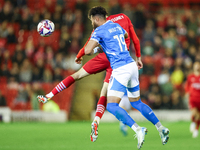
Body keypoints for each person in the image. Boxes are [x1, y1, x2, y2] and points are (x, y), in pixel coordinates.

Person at [37, 12, 141, 141]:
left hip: (105, 58)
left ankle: (49, 95)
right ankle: (96, 120)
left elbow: (89, 47)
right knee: (104, 92)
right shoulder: (123, 19)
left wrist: (80, 55)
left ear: (97, 18)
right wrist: (138, 57)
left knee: (76, 75)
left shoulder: (100, 27)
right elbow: (134, 39)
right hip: (118, 61)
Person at [83, 6, 169, 149]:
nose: (92, 23)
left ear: (96, 19)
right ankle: (161, 128)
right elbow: (126, 36)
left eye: (92, 20)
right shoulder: (116, 26)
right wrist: (106, 45)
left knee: (111, 106)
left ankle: (137, 129)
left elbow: (87, 50)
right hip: (131, 65)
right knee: (136, 102)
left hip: (120, 69)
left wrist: (97, 45)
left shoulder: (98, 30)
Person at [185, 61, 200, 138]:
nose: (197, 66)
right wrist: (187, 93)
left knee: (199, 115)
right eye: (196, 65)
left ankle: (196, 130)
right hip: (193, 98)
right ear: (193, 67)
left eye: (198, 65)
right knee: (194, 113)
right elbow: (187, 86)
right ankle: (193, 123)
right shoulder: (190, 77)